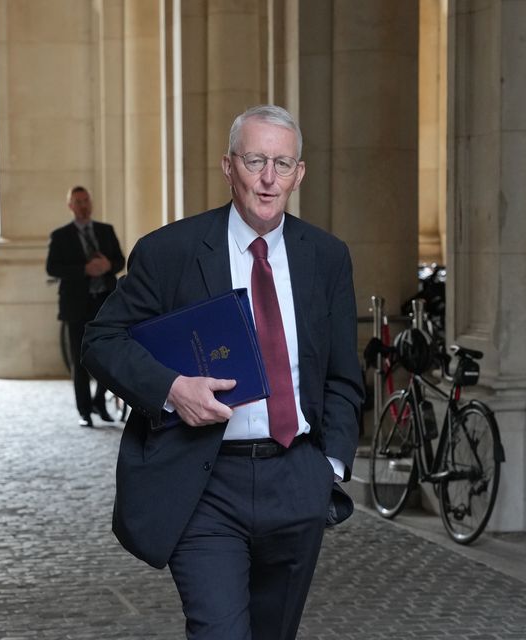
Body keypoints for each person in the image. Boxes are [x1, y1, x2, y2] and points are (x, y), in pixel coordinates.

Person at [82, 104, 363, 639]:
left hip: (295, 478)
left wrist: (328, 467)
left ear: (299, 174)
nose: (267, 178)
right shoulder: (171, 252)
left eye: (282, 164)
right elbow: (101, 340)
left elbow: (343, 374)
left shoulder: (326, 258)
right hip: (205, 479)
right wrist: (170, 389)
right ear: (228, 166)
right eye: (255, 160)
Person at [46, 186, 126, 427]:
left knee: (107, 357)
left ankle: (100, 401)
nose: (83, 205)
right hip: (76, 306)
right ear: (70, 206)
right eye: (77, 201)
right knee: (79, 360)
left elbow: (121, 260)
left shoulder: (105, 230)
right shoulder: (60, 236)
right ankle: (84, 411)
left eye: (86, 200)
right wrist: (83, 270)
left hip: (105, 303)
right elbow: (52, 268)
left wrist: (107, 265)